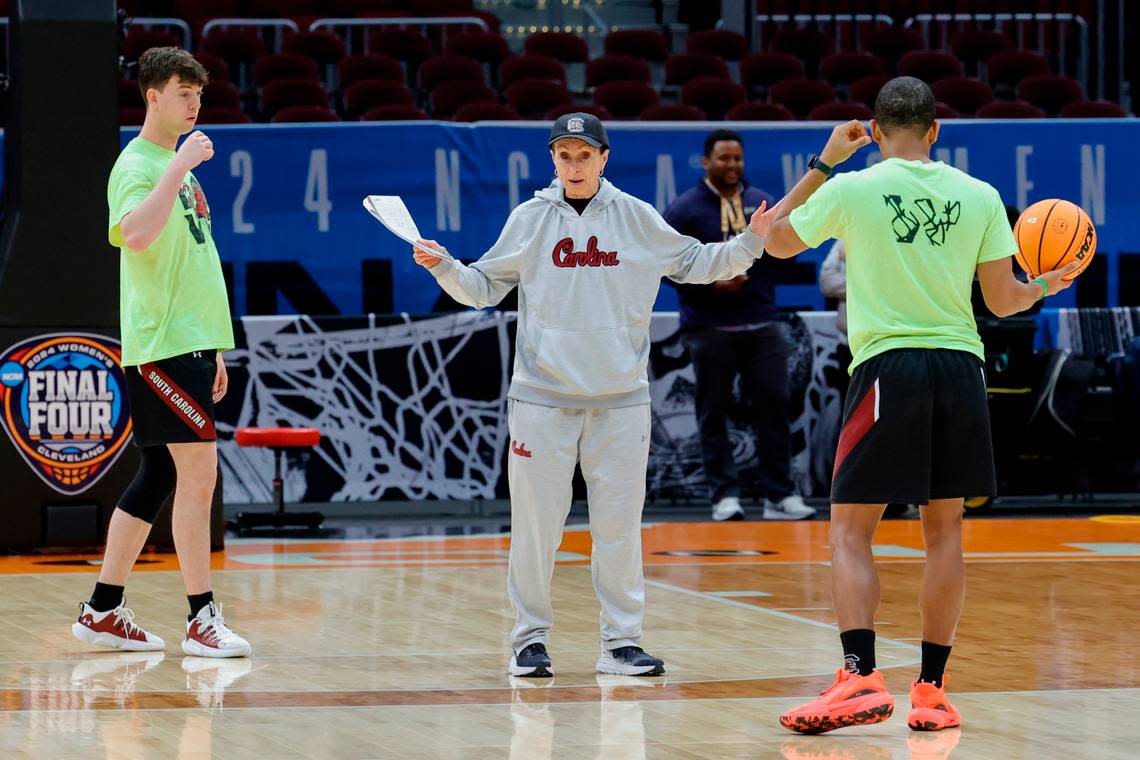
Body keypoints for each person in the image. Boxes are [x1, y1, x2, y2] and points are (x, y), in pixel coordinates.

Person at [411, 112, 830, 679]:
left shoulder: (635, 217)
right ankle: (528, 641)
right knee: (537, 531)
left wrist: (751, 240)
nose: (575, 164)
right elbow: (483, 288)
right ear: (553, 160)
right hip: (542, 401)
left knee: (619, 529)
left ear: (603, 159)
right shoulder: (530, 219)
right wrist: (445, 267)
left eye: (585, 155)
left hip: (621, 401)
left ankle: (621, 643)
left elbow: (699, 263)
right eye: (564, 154)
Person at [755, 78, 1078, 734]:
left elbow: (775, 241)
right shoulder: (981, 194)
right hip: (960, 369)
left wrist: (823, 163)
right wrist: (1045, 283)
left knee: (850, 531)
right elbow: (1001, 300)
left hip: (887, 369)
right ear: (936, 132)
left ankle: (859, 675)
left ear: (873, 131)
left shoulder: (852, 187)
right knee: (945, 534)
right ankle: (931, 691)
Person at [71, 48, 250, 658]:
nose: (194, 103)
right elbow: (135, 235)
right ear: (152, 96)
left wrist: (213, 347)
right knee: (199, 478)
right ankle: (201, 619)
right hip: (161, 347)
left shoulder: (177, 166)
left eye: (198, 93)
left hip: (187, 344)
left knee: (160, 476)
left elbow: (191, 261)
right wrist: (177, 166)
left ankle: (102, 609)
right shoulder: (141, 165)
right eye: (181, 92)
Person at [664, 129, 815, 522]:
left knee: (775, 409)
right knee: (713, 412)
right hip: (708, 326)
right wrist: (712, 280)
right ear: (705, 162)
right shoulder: (684, 209)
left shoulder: (758, 202)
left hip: (762, 322)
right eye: (723, 158)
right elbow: (663, 266)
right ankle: (723, 496)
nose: (731, 165)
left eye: (737, 158)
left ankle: (779, 495)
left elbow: (785, 253)